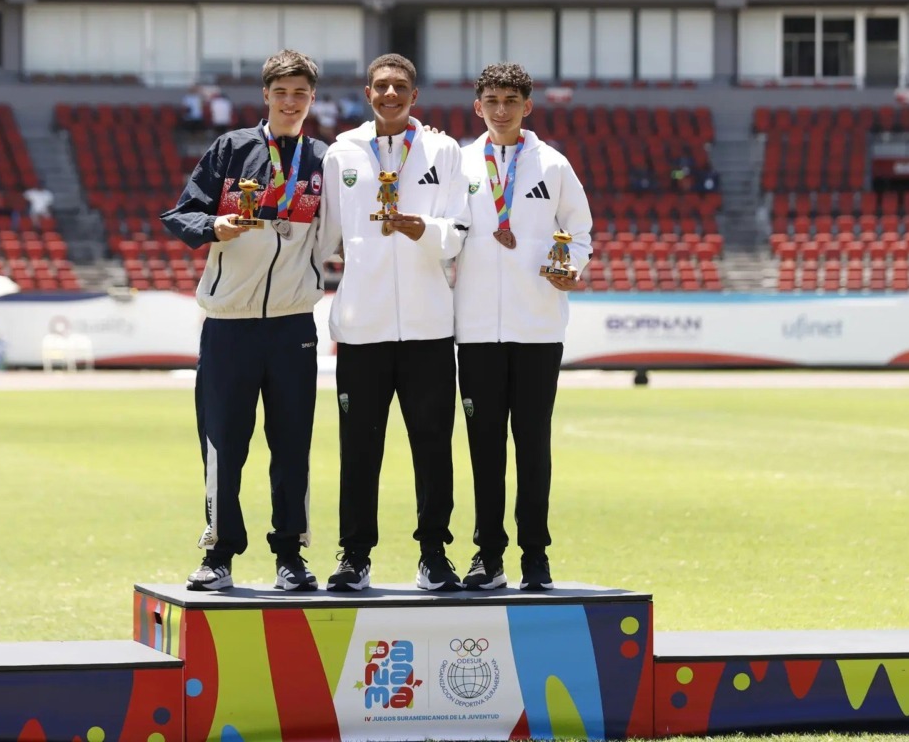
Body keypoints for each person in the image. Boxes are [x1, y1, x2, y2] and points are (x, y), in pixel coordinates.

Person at [160, 50, 329, 592]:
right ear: (265, 95)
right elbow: (182, 214)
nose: (290, 101)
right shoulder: (230, 149)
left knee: (292, 443)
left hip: (293, 323)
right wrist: (216, 224)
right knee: (223, 443)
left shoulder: (325, 160)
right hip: (230, 321)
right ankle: (219, 554)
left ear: (311, 98)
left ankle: (291, 556)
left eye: (300, 92)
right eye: (281, 91)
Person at [318, 53, 470, 592]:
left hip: (429, 326)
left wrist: (419, 229)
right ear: (367, 92)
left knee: (433, 444)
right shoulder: (342, 152)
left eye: (399, 86)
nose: (389, 94)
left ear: (414, 95)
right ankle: (354, 556)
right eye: (381, 86)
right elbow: (325, 237)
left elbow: (456, 233)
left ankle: (434, 555)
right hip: (363, 328)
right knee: (359, 447)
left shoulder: (443, 150)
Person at [453, 62, 593, 591]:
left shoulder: (553, 164)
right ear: (478, 106)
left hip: (538, 328)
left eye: (511, 99)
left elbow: (579, 230)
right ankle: (487, 556)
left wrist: (571, 268)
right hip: (476, 330)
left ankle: (536, 556)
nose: (502, 109)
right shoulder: (461, 163)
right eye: (492, 99)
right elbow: (448, 229)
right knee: (483, 447)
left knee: (532, 444)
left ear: (528, 106)